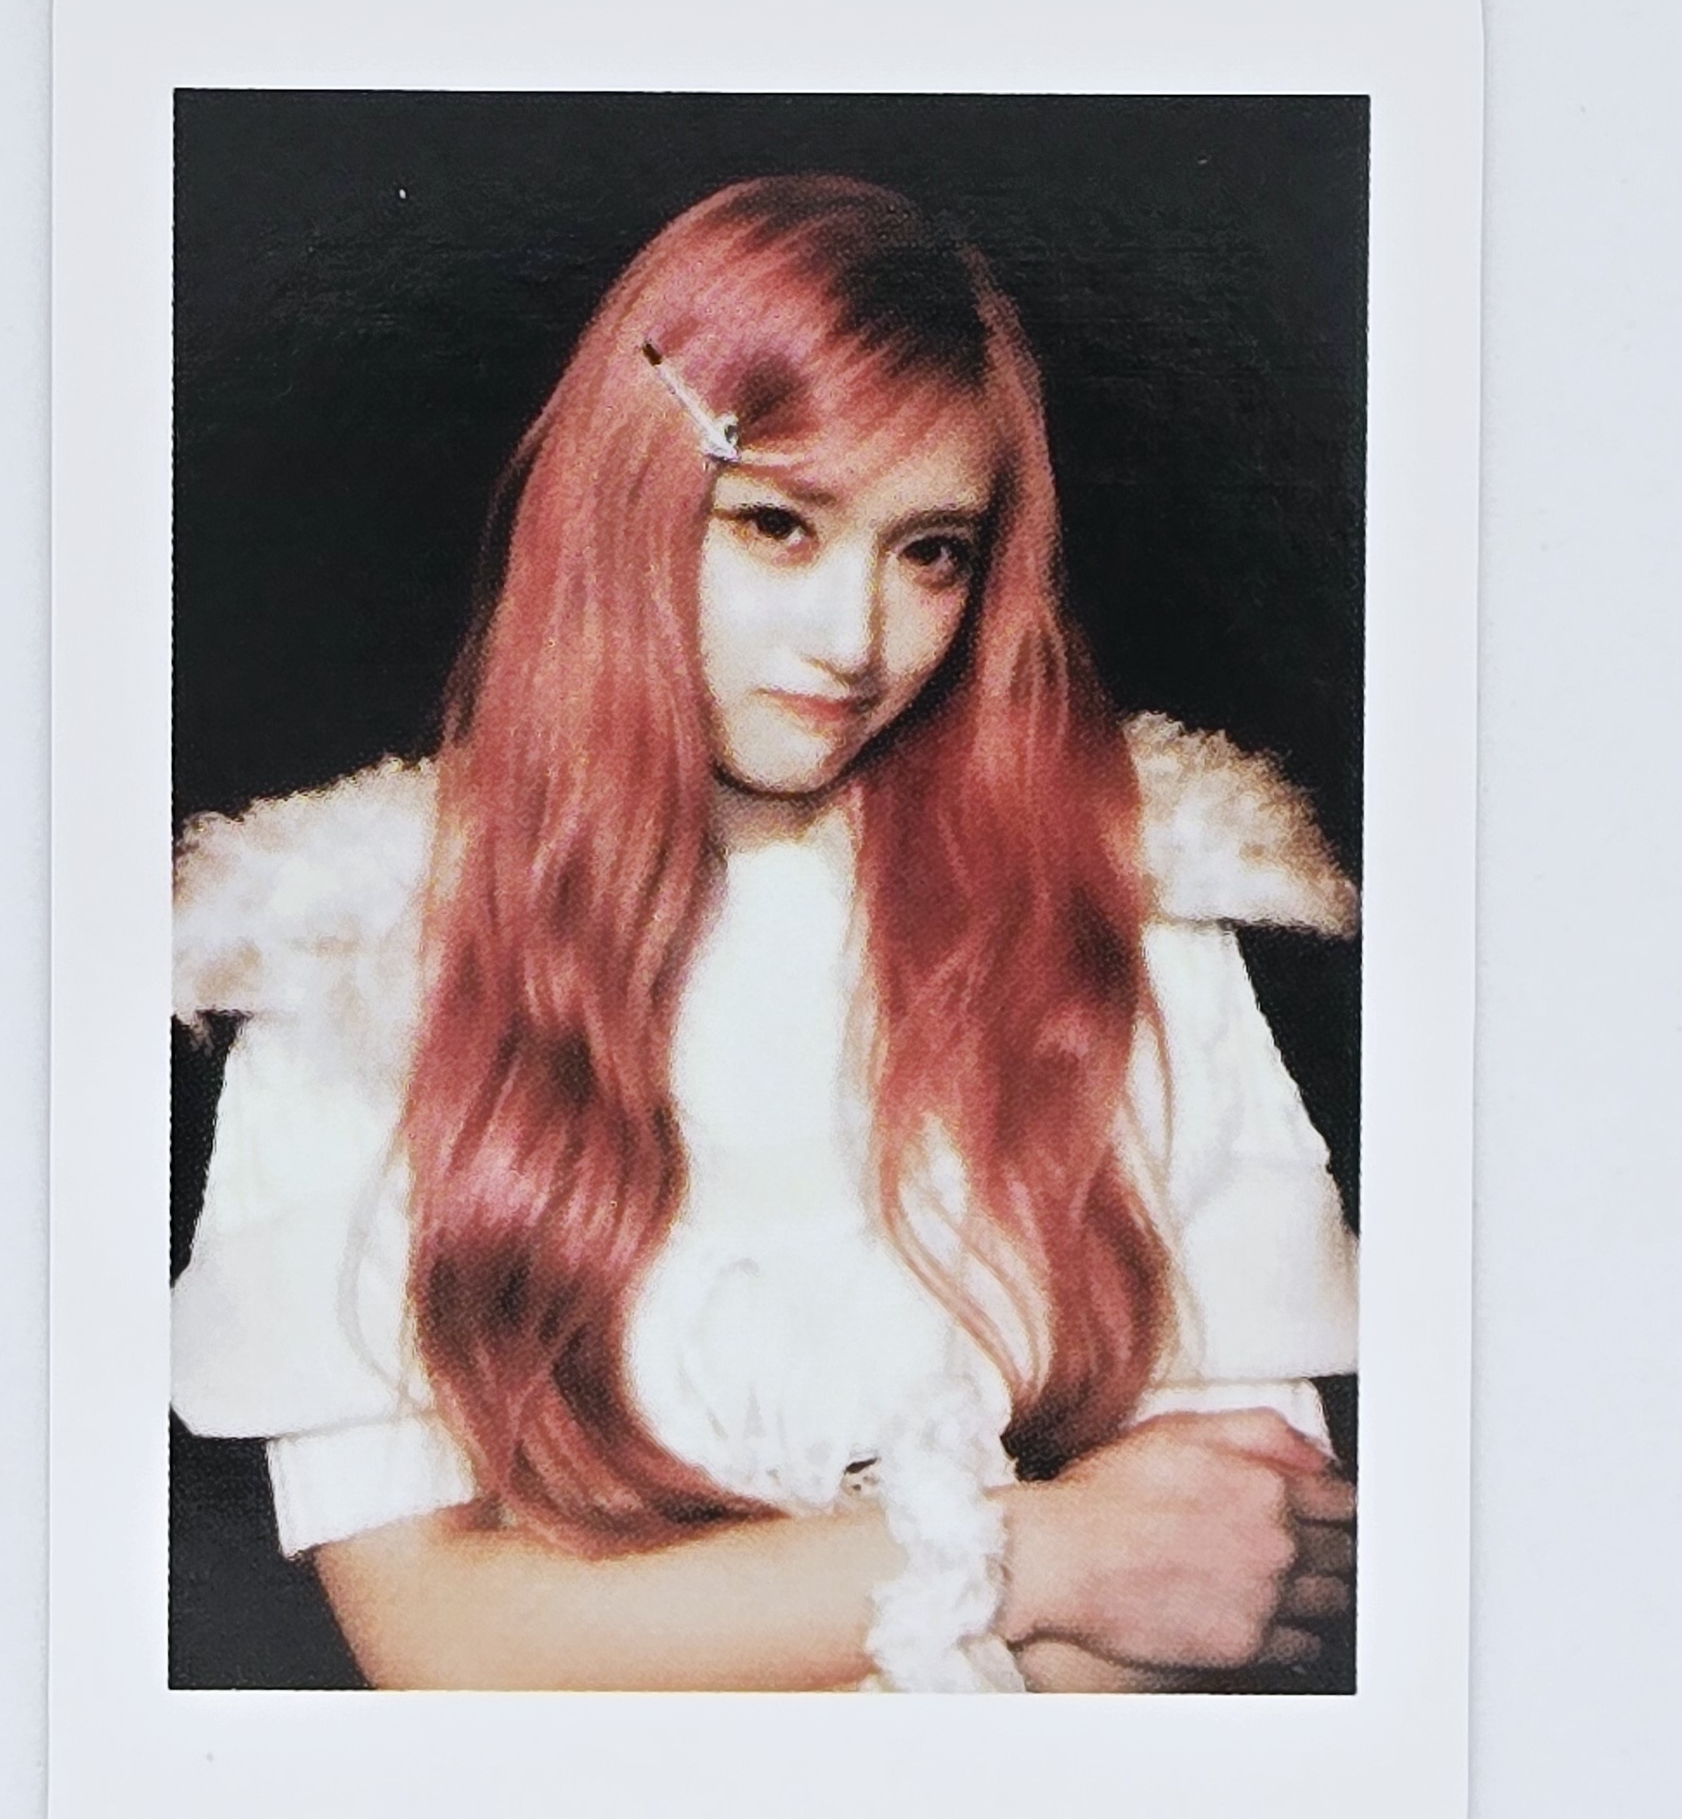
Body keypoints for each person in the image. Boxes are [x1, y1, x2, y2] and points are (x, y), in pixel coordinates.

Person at [170, 174, 1361, 1692]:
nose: (854, 639)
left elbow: (1243, 1555)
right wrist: (1032, 1554)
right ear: (630, 507)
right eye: (779, 525)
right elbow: (442, 1640)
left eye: (930, 550)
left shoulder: (1125, 895)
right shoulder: (355, 953)